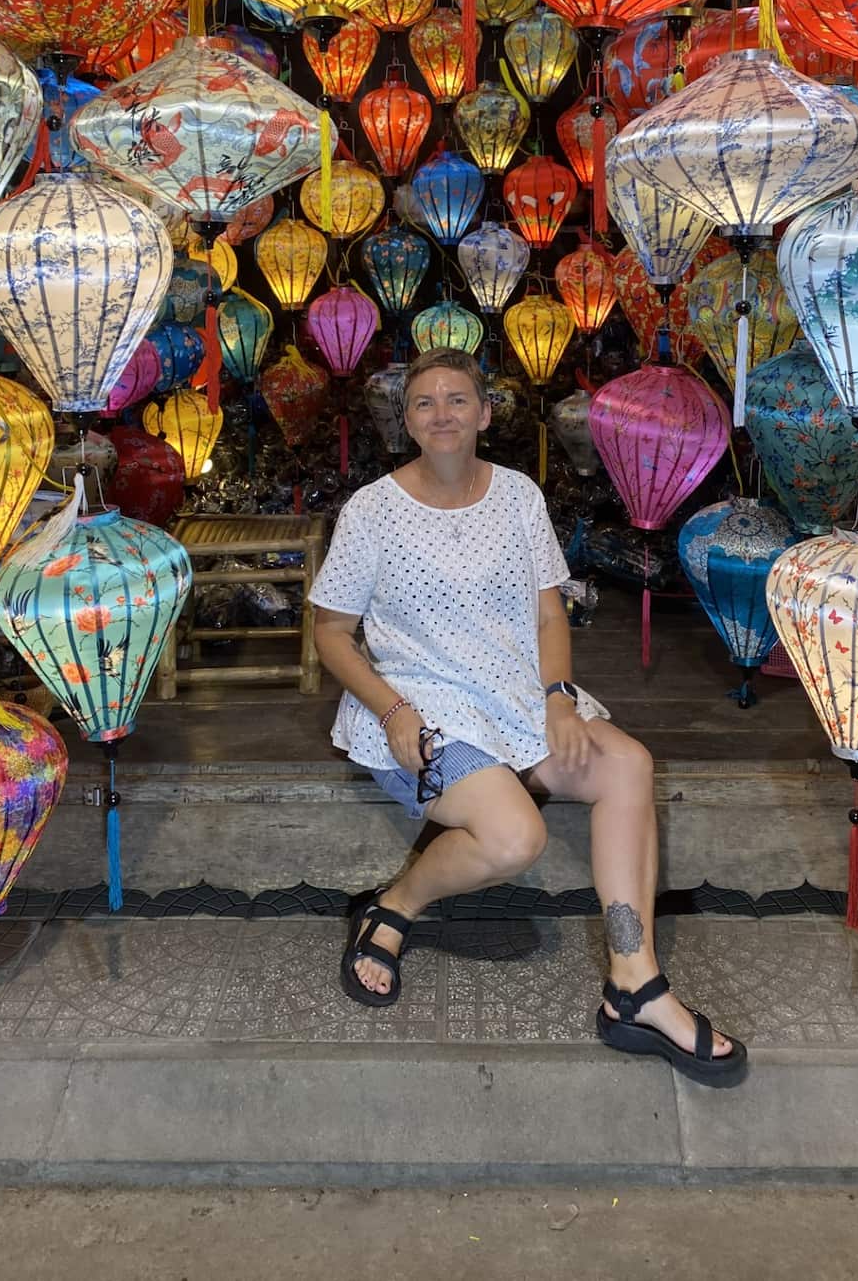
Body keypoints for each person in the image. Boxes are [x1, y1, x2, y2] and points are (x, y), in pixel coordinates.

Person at [310, 347, 747, 1089]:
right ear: (406, 421)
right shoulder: (373, 510)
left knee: (628, 764)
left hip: (515, 696)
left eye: (458, 398)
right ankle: (394, 903)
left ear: (484, 414)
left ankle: (633, 980)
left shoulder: (516, 495)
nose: (442, 412)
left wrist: (557, 694)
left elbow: (549, 610)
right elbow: (329, 630)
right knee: (516, 836)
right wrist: (390, 710)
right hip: (423, 704)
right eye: (424, 402)